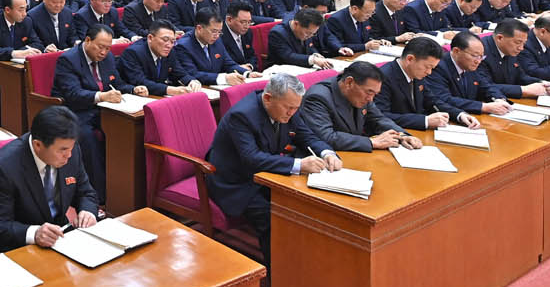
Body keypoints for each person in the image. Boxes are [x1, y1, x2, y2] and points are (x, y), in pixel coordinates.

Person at [204, 74, 340, 269]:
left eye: (296, 108)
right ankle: (279, 278)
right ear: (268, 98)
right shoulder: (242, 116)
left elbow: (306, 135)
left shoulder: (289, 106)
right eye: (289, 108)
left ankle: (307, 264)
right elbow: (251, 158)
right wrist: (299, 165)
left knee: (304, 205)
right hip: (237, 182)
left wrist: (327, 152)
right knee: (271, 219)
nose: (292, 113)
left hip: (268, 174)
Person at [0, 105, 100, 252]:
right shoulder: (4, 167)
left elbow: (86, 193)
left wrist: (87, 212)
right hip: (22, 246)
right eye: (62, 150)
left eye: (71, 148)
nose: (68, 155)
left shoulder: (70, 150)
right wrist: (34, 234)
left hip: (62, 238)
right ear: (38, 145)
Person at [52, 23, 139, 198]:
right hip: (75, 111)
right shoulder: (68, 59)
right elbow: (73, 94)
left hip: (104, 109)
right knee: (88, 137)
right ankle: (98, 193)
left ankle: (124, 185)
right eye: (101, 47)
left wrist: (133, 89)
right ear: (87, 40)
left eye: (108, 48)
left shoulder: (108, 58)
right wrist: (101, 96)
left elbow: (118, 83)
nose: (104, 52)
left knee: (127, 129)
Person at [299, 62, 423, 152]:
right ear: (349, 82)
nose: (371, 99)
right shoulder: (318, 97)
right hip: (329, 159)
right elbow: (326, 137)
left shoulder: (364, 94)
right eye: (369, 93)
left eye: (375, 94)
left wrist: (402, 135)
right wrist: (372, 142)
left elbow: (378, 119)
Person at [117, 21, 196, 96]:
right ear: (150, 38)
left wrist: (191, 81)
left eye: (172, 41)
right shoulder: (133, 53)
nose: (169, 45)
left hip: (156, 96)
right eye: (165, 40)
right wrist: (170, 90)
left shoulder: (169, 51)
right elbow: (140, 82)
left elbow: (179, 72)